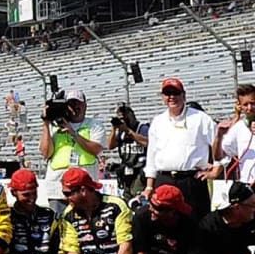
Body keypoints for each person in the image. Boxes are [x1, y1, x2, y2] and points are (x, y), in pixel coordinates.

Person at [144, 78, 222, 218]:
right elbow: (152, 156)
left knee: (197, 222)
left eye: (175, 93)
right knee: (164, 224)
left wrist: (216, 170)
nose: (171, 97)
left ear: (183, 95)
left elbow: (220, 144)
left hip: (191, 181)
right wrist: (149, 186)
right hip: (164, 180)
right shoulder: (158, 121)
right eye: (167, 93)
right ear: (162, 97)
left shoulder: (200, 118)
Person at [40, 89, 107, 206]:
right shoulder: (54, 126)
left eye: (78, 103)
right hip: (58, 189)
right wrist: (46, 123)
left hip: (84, 189)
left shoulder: (94, 125)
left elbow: (96, 149)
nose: (75, 107)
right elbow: (45, 153)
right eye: (71, 104)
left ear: (85, 106)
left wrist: (73, 133)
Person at [107, 103, 150, 201]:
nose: (123, 120)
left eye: (123, 117)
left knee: (137, 198)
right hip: (126, 170)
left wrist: (128, 131)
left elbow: (147, 142)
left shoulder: (142, 128)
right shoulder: (121, 132)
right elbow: (110, 146)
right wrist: (114, 128)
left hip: (140, 170)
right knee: (127, 198)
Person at [215, 84, 255, 185]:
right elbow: (219, 156)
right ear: (239, 106)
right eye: (245, 105)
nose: (249, 108)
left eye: (253, 103)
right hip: (247, 185)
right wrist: (219, 136)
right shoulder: (239, 127)